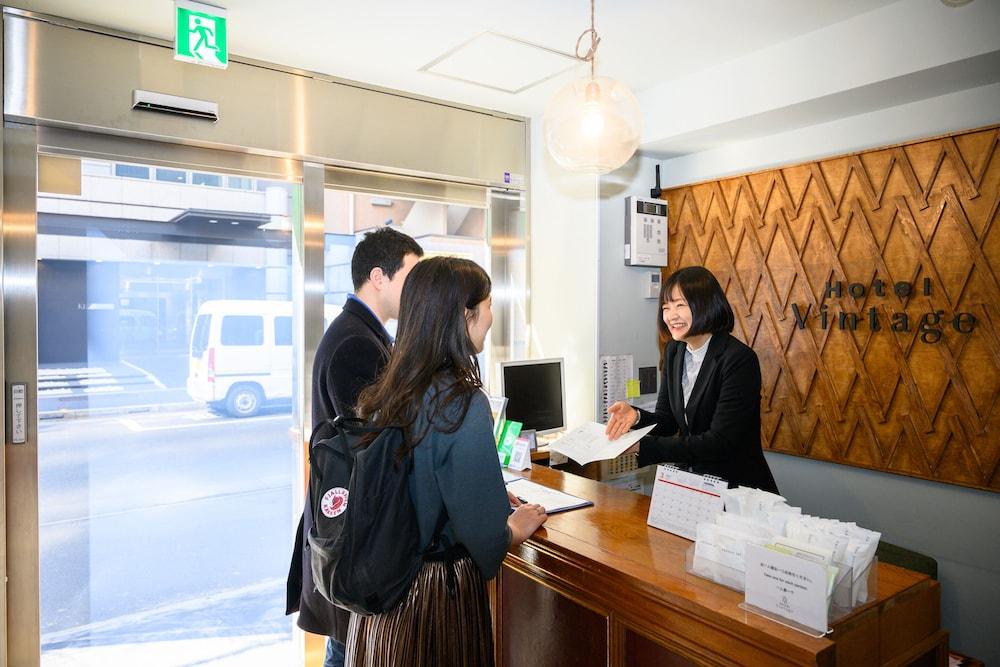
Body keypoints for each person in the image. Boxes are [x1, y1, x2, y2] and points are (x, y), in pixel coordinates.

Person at [347, 256, 548, 666]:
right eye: (489, 304)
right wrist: (513, 528)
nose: (492, 315)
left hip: (382, 603)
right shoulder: (460, 402)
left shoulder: (384, 392)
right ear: (465, 315)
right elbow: (486, 534)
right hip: (433, 599)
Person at [286, 227, 423, 667]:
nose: (418, 290)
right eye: (412, 276)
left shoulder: (365, 333)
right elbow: (374, 445)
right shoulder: (354, 344)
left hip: (351, 528)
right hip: (353, 531)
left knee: (347, 648)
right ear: (379, 277)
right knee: (348, 651)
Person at [605, 266, 779, 493]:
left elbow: (720, 442)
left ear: (706, 304)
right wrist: (636, 416)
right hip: (692, 485)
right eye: (666, 307)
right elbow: (667, 421)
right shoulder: (674, 352)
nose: (670, 315)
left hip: (737, 488)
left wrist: (642, 446)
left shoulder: (738, 359)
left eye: (680, 305)